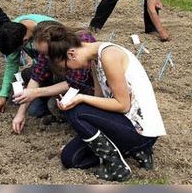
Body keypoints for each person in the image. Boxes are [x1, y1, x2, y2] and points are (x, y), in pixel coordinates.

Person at [47, 24, 166, 182]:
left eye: (67, 68)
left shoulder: (109, 56)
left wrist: (81, 98)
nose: (71, 72)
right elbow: (99, 99)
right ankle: (137, 152)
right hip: (123, 123)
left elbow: (123, 105)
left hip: (140, 130)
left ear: (71, 54)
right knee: (70, 157)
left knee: (75, 111)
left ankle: (116, 165)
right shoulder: (95, 60)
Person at [11, 22, 95, 134]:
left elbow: (76, 83)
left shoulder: (81, 44)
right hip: (64, 80)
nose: (45, 57)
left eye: (46, 53)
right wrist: (20, 113)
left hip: (88, 87)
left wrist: (36, 92)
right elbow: (37, 76)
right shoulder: (46, 49)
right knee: (34, 110)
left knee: (53, 105)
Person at [0, 14, 57, 115]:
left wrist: (36, 91)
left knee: (35, 110)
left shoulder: (48, 33)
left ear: (24, 41)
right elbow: (11, 65)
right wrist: (3, 96)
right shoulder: (14, 32)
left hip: (57, 73)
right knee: (18, 98)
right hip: (40, 70)